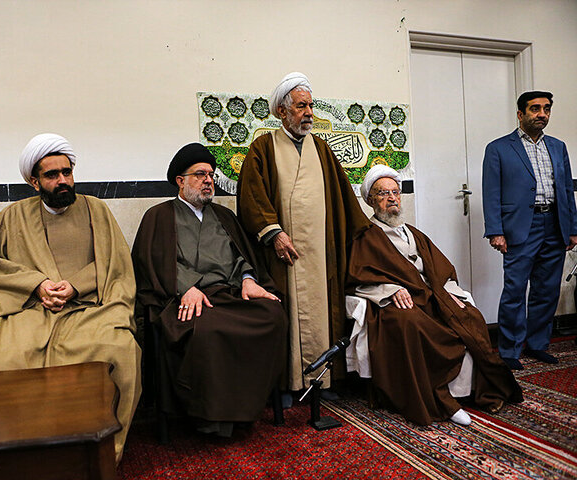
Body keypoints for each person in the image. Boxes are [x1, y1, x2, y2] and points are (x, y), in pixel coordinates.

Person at [0, 133, 141, 461]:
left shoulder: (97, 210)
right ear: (34, 181)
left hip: (89, 305)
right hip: (29, 307)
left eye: (67, 172)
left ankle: (102, 452)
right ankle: (22, 451)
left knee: (119, 347)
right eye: (52, 175)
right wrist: (37, 285)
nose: (63, 181)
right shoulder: (11, 217)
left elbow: (115, 261)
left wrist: (74, 285)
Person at [347, 165, 522, 426]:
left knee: (469, 315)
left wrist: (450, 293)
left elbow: (442, 270)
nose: (392, 198)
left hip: (431, 297)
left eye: (395, 192)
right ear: (371, 201)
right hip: (396, 303)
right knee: (411, 323)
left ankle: (476, 390)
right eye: (383, 193)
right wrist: (391, 290)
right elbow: (357, 279)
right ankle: (439, 399)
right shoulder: (365, 237)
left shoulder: (414, 233)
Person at [133, 143, 287, 437]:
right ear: (181, 180)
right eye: (200, 174)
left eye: (211, 175)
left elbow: (243, 256)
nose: (208, 180)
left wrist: (248, 280)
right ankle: (212, 417)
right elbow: (153, 262)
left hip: (229, 294)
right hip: (184, 299)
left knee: (272, 314)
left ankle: (248, 406)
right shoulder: (159, 216)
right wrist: (186, 287)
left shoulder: (224, 216)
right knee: (209, 329)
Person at [237, 72, 371, 390]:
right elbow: (252, 197)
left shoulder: (322, 149)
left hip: (322, 253)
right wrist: (275, 233)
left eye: (310, 106)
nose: (308, 112)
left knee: (326, 313)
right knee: (288, 313)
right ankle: (290, 382)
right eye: (300, 106)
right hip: (283, 254)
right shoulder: (263, 147)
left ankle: (324, 382)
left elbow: (342, 199)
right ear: (282, 111)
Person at [482, 91, 577, 370]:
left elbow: (567, 190)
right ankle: (509, 349)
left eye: (546, 109)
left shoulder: (558, 147)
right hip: (520, 228)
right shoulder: (499, 148)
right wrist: (495, 231)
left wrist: (572, 228)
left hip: (554, 225)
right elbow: (491, 193)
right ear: (521, 114)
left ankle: (537, 345)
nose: (542, 114)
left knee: (547, 291)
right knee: (515, 289)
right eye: (535, 109)